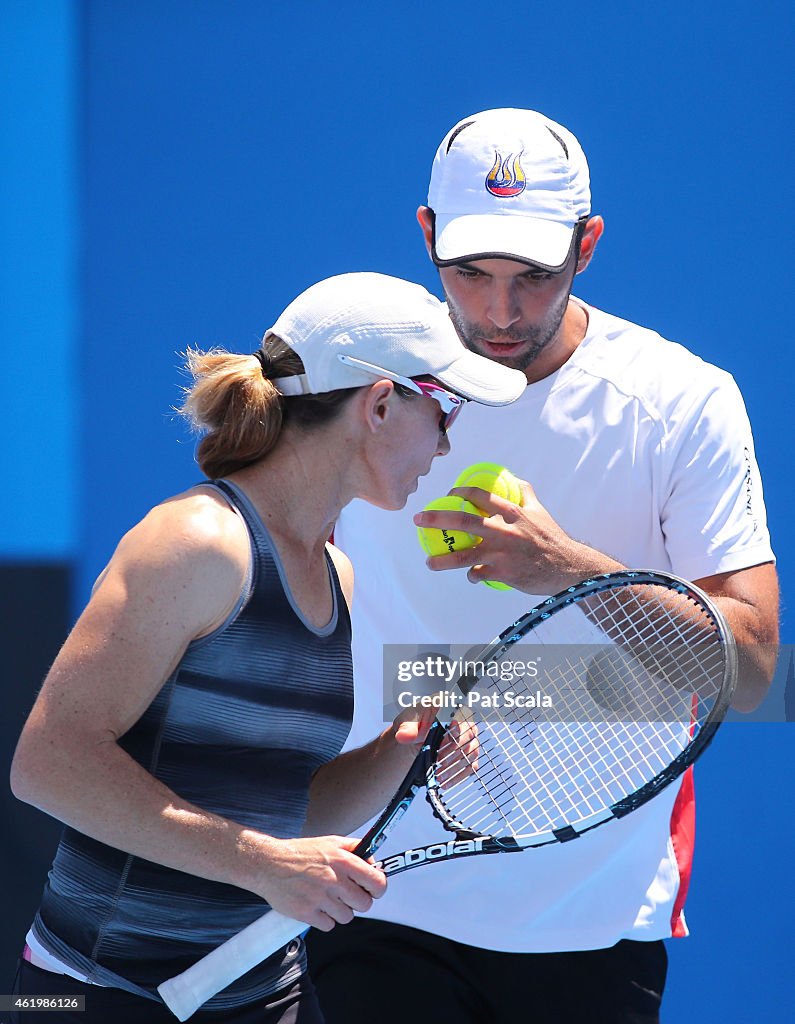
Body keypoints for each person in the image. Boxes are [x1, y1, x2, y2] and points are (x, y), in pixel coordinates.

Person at [306, 111, 780, 1023]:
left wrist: (572, 573)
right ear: (426, 234)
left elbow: (754, 674)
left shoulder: (683, 402)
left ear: (587, 246)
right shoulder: (355, 386)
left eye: (533, 276)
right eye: (469, 273)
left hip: (594, 921)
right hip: (365, 893)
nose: (498, 312)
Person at [8, 271, 526, 1024]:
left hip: (265, 995)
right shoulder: (198, 544)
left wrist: (402, 746)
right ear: (379, 404)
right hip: (98, 994)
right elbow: (47, 763)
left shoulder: (334, 571)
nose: (447, 443)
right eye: (444, 410)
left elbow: (284, 807)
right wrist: (263, 865)